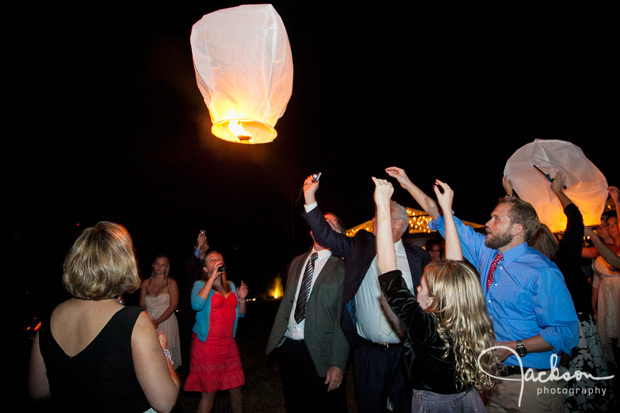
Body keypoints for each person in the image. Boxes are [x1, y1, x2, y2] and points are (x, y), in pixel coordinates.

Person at [387, 166, 579, 412]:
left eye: (496, 219)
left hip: (531, 383)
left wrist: (513, 347)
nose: (487, 223)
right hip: (489, 381)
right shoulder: (486, 252)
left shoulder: (542, 272)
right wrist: (407, 183)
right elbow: (445, 218)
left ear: (518, 230)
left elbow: (566, 333)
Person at [302, 173, 431, 413]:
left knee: (406, 408)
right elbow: (326, 234)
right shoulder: (360, 246)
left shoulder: (419, 258)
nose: (374, 218)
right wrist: (310, 197)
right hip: (368, 354)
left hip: (406, 354)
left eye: (383, 214)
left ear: (398, 224)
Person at [374, 176, 499, 411]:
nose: (417, 289)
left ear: (435, 298)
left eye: (422, 286)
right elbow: (454, 265)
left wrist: (382, 205)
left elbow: (388, 271)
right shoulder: (466, 319)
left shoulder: (426, 329)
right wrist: (447, 211)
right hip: (468, 401)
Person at [28, 221, 180, 412]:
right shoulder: (132, 320)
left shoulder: (50, 318)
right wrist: (163, 350)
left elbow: (38, 390)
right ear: (124, 264)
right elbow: (166, 402)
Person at [521, 173, 612, 412]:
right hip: (579, 329)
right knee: (586, 380)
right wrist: (559, 191)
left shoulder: (530, 269)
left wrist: (512, 193)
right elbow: (575, 218)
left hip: (547, 333)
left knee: (561, 382)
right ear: (552, 239)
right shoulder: (566, 259)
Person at [266, 211, 349, 413]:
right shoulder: (296, 262)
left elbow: (344, 319)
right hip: (291, 349)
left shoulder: (343, 269)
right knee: (295, 405)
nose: (319, 223)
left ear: (337, 234)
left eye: (326, 222)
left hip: (322, 353)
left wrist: (338, 363)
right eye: (318, 221)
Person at [183, 250, 249, 413]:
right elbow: (196, 305)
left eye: (219, 258)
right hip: (207, 346)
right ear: (205, 268)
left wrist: (241, 298)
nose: (216, 261)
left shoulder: (231, 286)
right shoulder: (200, 285)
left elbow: (241, 313)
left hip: (228, 345)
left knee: (236, 389)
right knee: (209, 393)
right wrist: (212, 277)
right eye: (211, 260)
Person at [139, 254, 182, 369]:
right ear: (153, 265)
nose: (159, 267)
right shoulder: (146, 283)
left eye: (162, 265)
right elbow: (142, 305)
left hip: (166, 321)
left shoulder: (171, 283)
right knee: (150, 355)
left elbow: (173, 306)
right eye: (157, 264)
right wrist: (149, 320)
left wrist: (157, 321)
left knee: (167, 357)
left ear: (166, 267)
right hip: (149, 320)